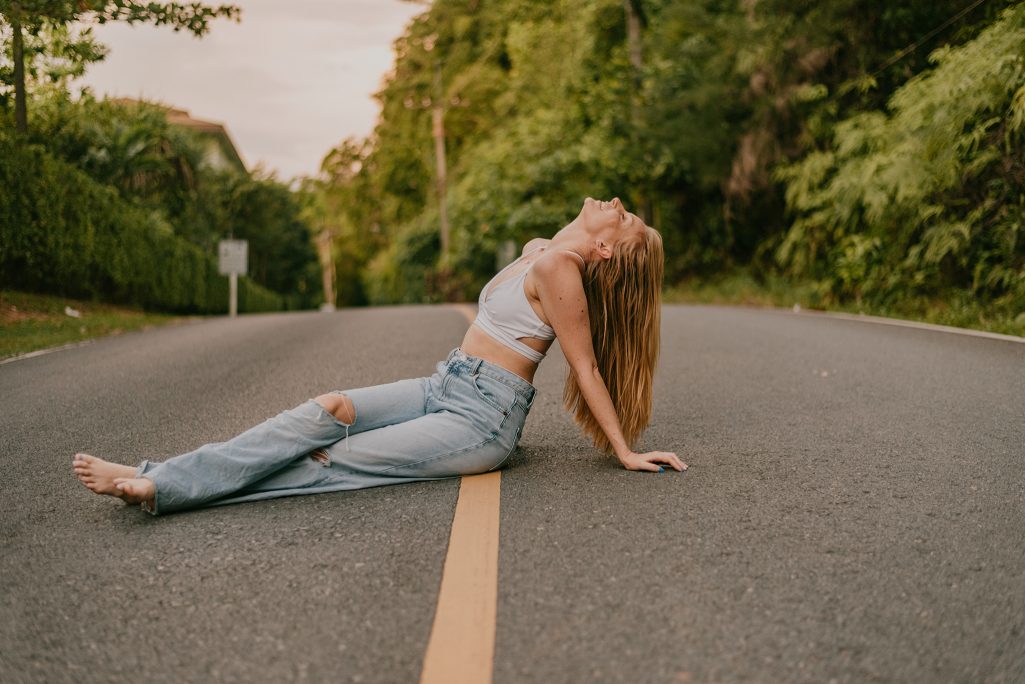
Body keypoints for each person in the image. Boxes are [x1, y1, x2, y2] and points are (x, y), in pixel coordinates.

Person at [73, 197, 687, 515]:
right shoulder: (539, 249)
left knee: (327, 460)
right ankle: (162, 471)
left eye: (625, 217)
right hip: (445, 383)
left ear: (607, 248)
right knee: (325, 409)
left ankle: (162, 488)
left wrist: (626, 452)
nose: (615, 202)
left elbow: (586, 367)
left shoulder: (562, 268)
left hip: (480, 421)